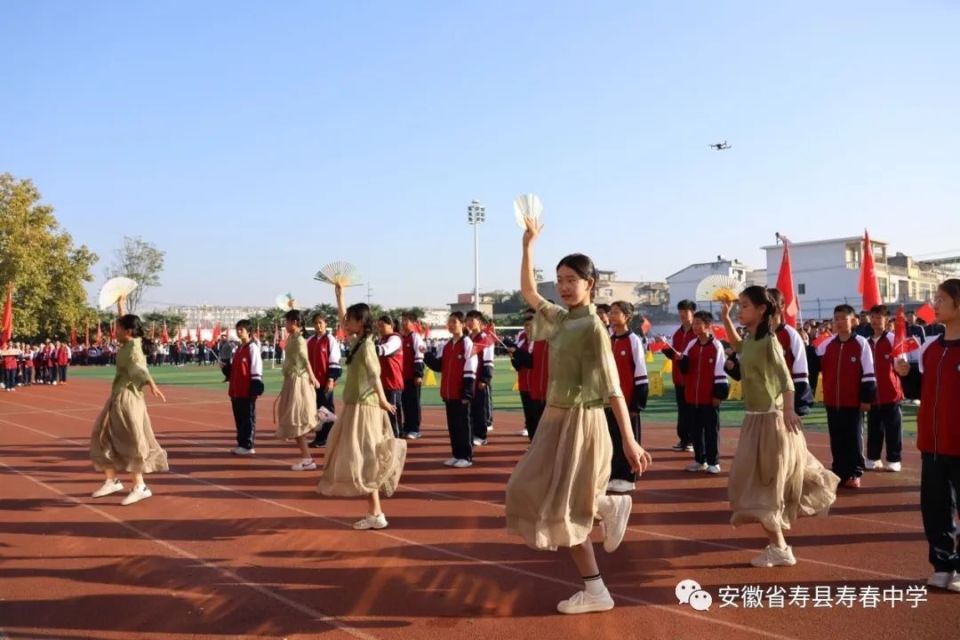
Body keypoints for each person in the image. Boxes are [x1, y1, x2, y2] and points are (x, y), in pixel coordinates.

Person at [505, 218, 651, 615]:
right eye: (561, 279)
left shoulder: (592, 328)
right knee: (526, 490)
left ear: (591, 283)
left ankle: (596, 589)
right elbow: (529, 291)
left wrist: (629, 437)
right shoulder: (560, 318)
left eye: (572, 279)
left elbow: (613, 388)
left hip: (582, 422)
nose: (565, 286)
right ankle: (606, 506)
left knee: (563, 512)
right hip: (554, 420)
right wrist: (527, 246)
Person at [720, 286, 838, 567]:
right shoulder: (751, 339)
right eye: (739, 306)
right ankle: (779, 546)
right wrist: (725, 317)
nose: (740, 310)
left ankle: (780, 548)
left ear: (762, 309)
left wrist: (787, 411)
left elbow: (786, 381)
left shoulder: (770, 341)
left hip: (770, 422)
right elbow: (737, 346)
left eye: (744, 305)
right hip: (754, 420)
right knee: (752, 483)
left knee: (765, 487)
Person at [317, 284, 407, 530]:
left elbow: (375, 375)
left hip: (365, 408)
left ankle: (376, 513)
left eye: (350, 320)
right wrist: (340, 296)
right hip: (355, 406)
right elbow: (342, 318)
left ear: (361, 322)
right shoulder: (358, 340)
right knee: (361, 457)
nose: (345, 323)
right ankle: (375, 512)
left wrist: (382, 400)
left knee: (365, 458)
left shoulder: (367, 345)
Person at [895, 279, 960, 592]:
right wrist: (906, 377)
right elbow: (919, 391)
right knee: (934, 507)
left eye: (942, 299)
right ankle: (942, 563)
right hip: (932, 445)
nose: (935, 305)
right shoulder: (930, 349)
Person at [89, 295, 168, 505]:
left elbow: (138, 368)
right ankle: (112, 480)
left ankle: (140, 485)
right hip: (118, 397)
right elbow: (126, 321)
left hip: (128, 399)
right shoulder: (129, 342)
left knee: (131, 441)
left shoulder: (133, 348)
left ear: (128, 331)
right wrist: (121, 305)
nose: (115, 331)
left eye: (118, 328)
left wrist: (151, 383)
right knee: (101, 436)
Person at [815, 305, 877, 489]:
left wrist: (866, 398)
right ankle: (838, 471)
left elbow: (868, 373)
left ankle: (854, 472)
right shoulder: (826, 345)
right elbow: (813, 366)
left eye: (843, 318)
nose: (839, 322)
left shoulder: (861, 343)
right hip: (833, 401)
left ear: (853, 320)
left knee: (853, 437)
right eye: (836, 318)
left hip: (853, 402)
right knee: (836, 437)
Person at [660, 311, 728, 474]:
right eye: (694, 323)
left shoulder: (716, 346)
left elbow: (721, 372)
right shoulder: (692, 344)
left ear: (708, 325)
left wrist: (718, 394)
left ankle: (713, 462)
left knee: (711, 430)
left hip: (709, 398)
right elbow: (685, 367)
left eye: (698, 323)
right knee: (696, 431)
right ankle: (699, 460)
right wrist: (676, 356)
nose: (695, 326)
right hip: (692, 397)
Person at [424, 313, 477, 468]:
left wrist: (467, 392)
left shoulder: (467, 343)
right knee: (453, 425)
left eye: (455, 321)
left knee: (463, 425)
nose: (451, 324)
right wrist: (426, 354)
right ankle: (456, 454)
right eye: (450, 321)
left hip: (461, 393)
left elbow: (470, 368)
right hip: (449, 393)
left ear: (463, 324)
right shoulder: (446, 346)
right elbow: (438, 365)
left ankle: (466, 456)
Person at [606, 301, 649, 492]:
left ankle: (628, 476)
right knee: (611, 439)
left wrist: (636, 404)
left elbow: (640, 372)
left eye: (617, 312)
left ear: (627, 316)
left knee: (629, 439)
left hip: (628, 401)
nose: (612, 316)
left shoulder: (633, 341)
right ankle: (613, 474)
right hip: (608, 401)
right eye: (611, 312)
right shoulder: (608, 339)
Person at [274, 309, 320, 471]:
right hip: (291, 381)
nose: (285, 325)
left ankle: (322, 416)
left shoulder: (299, 340)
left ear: (294, 322)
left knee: (297, 419)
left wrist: (313, 377)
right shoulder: (293, 338)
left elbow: (305, 360)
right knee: (296, 420)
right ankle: (307, 458)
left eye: (287, 321)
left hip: (297, 382)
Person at [865, 305, 905, 472]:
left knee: (893, 428)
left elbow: (901, 364)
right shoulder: (866, 343)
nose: (875, 320)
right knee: (874, 428)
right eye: (872, 317)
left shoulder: (893, 339)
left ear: (886, 320)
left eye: (878, 317)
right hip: (873, 394)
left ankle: (894, 459)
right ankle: (873, 458)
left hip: (891, 393)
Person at [227, 320, 264, 456]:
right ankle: (241, 443)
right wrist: (226, 369)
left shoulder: (252, 348)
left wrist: (255, 386)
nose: (238, 332)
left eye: (241, 329)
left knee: (247, 418)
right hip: (236, 391)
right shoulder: (238, 348)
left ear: (248, 332)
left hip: (246, 390)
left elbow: (256, 368)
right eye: (237, 329)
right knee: (239, 418)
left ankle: (248, 445)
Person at [307, 313, 342, 448]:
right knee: (317, 411)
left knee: (326, 410)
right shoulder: (309, 341)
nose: (318, 325)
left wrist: (331, 379)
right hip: (312, 383)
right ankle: (320, 437)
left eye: (320, 323)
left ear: (326, 324)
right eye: (316, 323)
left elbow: (334, 360)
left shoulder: (330, 340)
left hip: (325, 382)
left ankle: (327, 438)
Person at [668, 300, 698, 453]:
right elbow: (674, 354)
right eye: (680, 312)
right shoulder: (677, 333)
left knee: (691, 410)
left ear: (693, 313)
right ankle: (684, 439)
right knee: (682, 410)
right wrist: (668, 351)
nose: (682, 315)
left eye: (685, 312)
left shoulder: (697, 332)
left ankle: (693, 439)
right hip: (678, 378)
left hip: (692, 379)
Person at [375, 316, 404, 438]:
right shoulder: (382, 339)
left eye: (382, 325)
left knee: (393, 417)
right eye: (378, 325)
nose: (379, 328)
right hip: (382, 383)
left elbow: (382, 350)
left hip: (393, 383)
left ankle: (397, 441)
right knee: (383, 416)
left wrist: (366, 347)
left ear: (391, 326)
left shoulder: (395, 338)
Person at [399, 313, 426, 440]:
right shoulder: (402, 338)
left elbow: (419, 357)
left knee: (413, 402)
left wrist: (418, 374)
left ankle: (415, 428)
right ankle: (407, 426)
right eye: (402, 320)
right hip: (402, 377)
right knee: (405, 402)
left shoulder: (416, 337)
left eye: (406, 320)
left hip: (412, 377)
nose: (403, 322)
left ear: (413, 323)